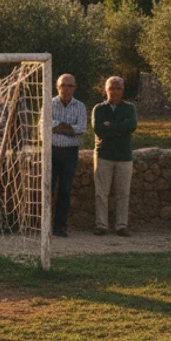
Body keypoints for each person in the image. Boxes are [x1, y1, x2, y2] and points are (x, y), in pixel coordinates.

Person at [91, 76, 136, 237]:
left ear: (122, 90)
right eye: (111, 88)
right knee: (101, 193)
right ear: (106, 90)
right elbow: (99, 130)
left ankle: (121, 226)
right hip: (104, 154)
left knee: (123, 193)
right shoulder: (99, 109)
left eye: (118, 88)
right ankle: (101, 225)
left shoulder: (129, 108)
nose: (114, 92)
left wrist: (111, 126)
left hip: (124, 156)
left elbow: (131, 126)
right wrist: (120, 128)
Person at [49, 74, 87, 237]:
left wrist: (58, 127)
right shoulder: (49, 104)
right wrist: (69, 129)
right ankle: (42, 225)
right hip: (51, 152)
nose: (67, 89)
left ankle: (60, 227)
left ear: (75, 88)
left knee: (65, 190)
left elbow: (81, 128)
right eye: (64, 85)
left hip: (70, 153)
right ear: (58, 87)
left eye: (70, 86)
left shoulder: (80, 106)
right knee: (47, 189)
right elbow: (44, 126)